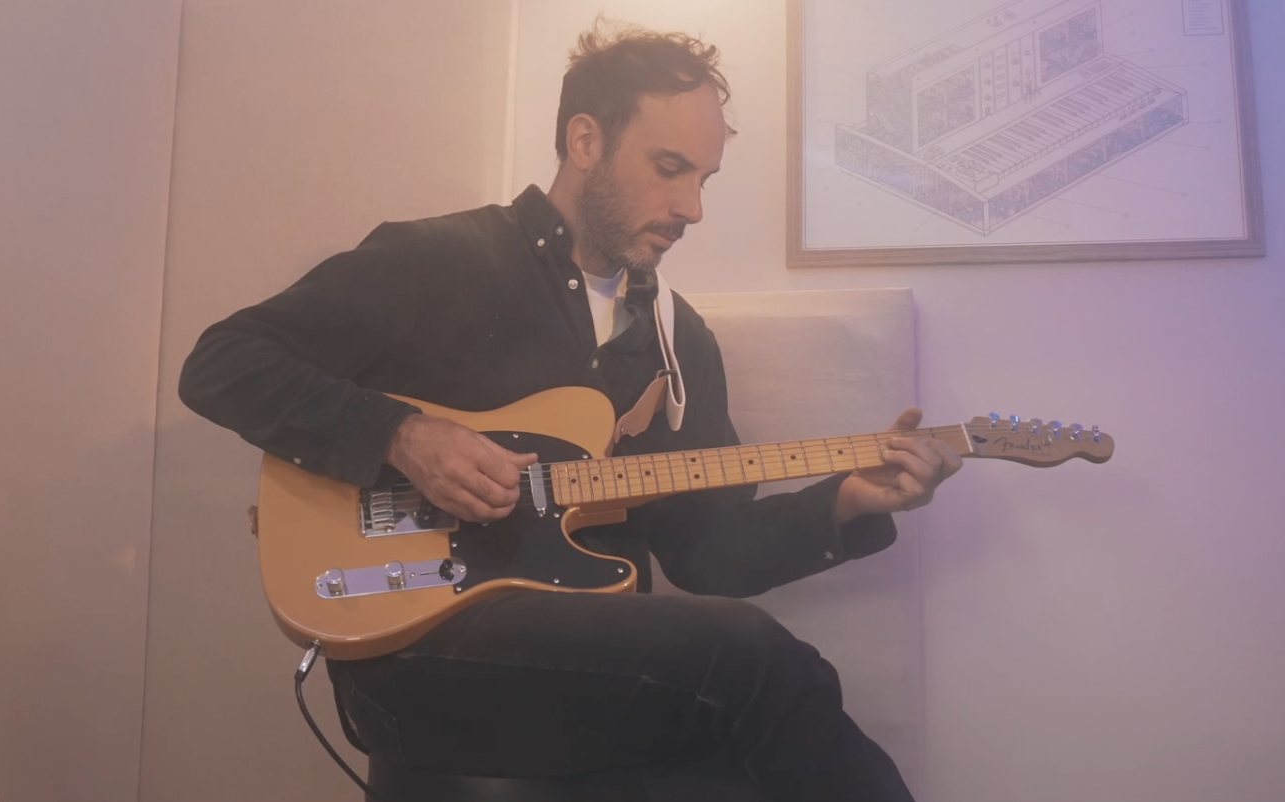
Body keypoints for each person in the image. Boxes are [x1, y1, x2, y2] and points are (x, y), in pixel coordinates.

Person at [179, 22, 961, 802]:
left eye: (704, 179)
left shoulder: (677, 340)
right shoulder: (438, 258)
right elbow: (223, 361)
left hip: (597, 662)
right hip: (420, 648)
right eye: (668, 169)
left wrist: (850, 500)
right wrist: (403, 436)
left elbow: (708, 555)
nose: (690, 206)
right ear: (584, 140)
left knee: (758, 703)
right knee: (761, 661)